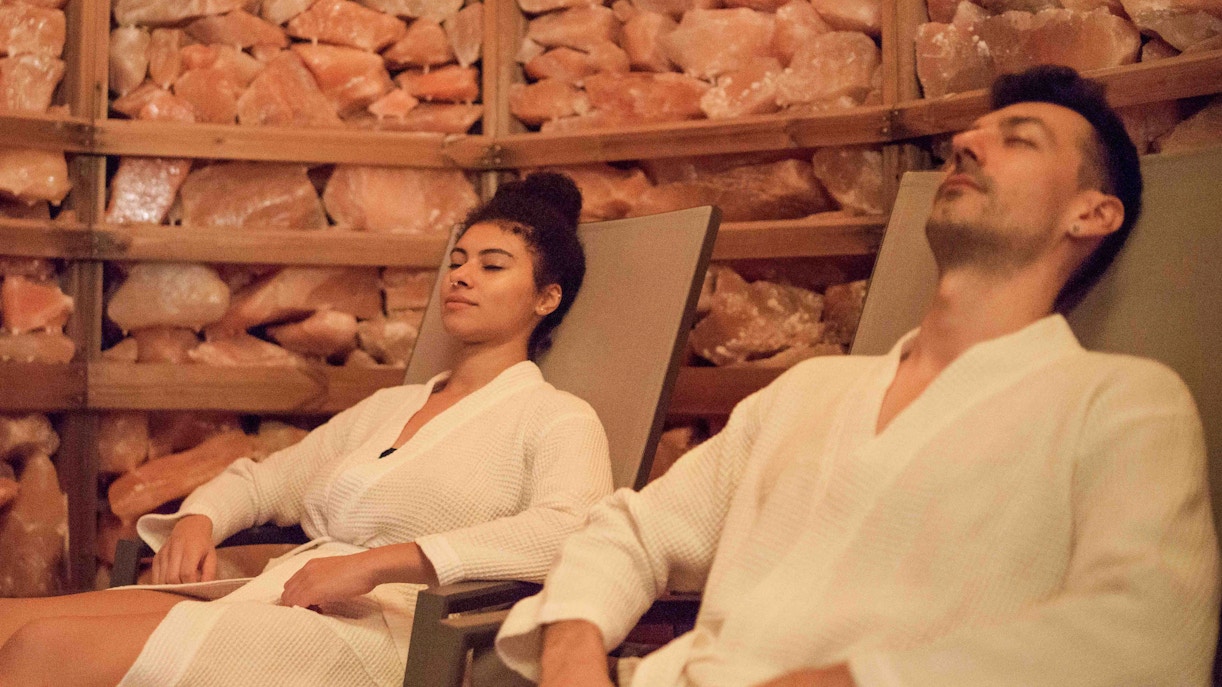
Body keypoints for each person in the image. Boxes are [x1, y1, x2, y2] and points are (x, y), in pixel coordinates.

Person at [495, 66, 1220, 687]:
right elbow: (631, 532)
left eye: (1018, 138)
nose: (967, 141)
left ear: (1092, 213)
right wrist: (573, 655)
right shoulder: (812, 390)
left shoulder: (1122, 403)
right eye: (972, 132)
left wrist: (851, 679)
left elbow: (1151, 635)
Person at [0, 172, 614, 687]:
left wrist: (379, 564)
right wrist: (199, 518)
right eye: (456, 261)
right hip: (287, 595)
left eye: (492, 265)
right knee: (8, 625)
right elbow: (266, 482)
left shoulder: (556, 417)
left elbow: (571, 531)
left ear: (546, 298)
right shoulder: (391, 408)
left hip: (393, 634)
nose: (461, 276)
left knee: (40, 649)